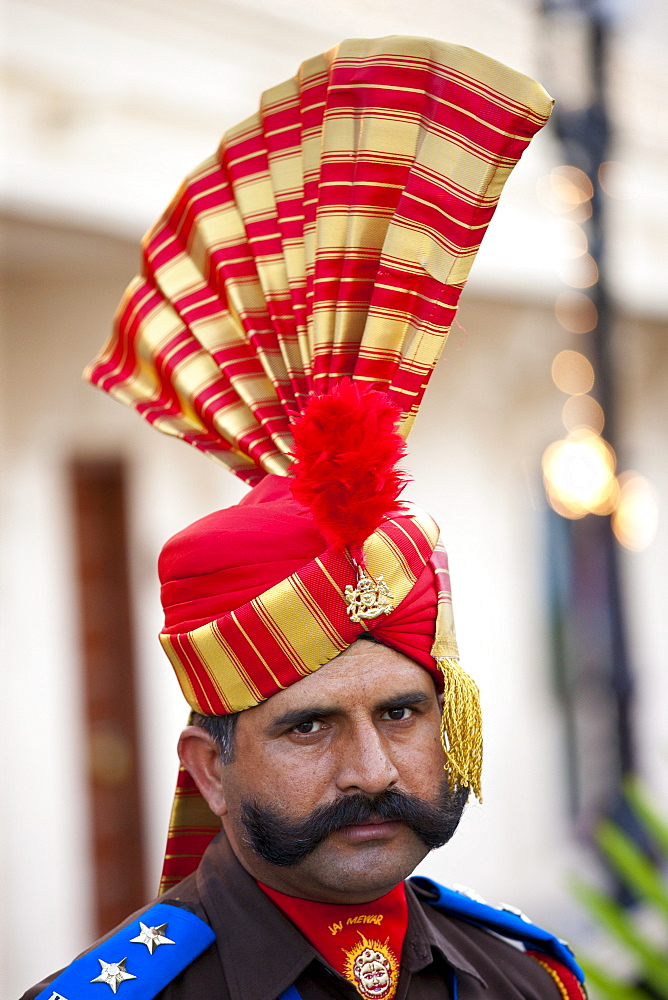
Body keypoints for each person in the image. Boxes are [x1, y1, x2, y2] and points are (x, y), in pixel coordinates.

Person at [22, 35, 587, 1000]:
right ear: (210, 768)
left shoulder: (527, 979)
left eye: (404, 711)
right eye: (309, 727)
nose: (373, 770)